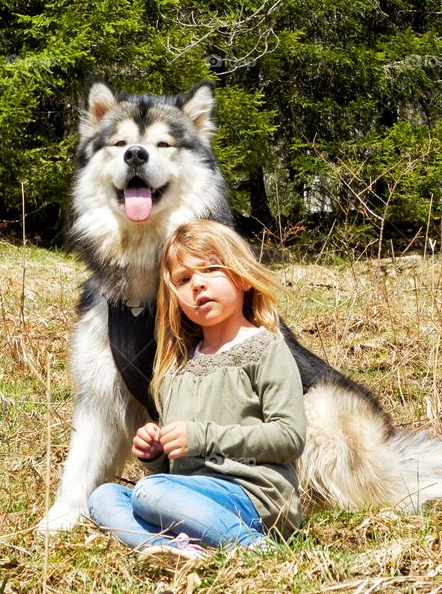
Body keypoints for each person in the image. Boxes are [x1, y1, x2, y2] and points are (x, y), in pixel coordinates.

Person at [87, 220, 307, 559]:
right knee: (103, 498)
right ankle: (173, 550)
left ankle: (256, 548)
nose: (198, 285)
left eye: (211, 269)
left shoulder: (266, 348)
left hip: (251, 498)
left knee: (150, 492)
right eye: (184, 280)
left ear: (242, 276)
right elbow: (173, 470)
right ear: (174, 296)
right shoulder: (176, 368)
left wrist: (201, 437)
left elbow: (289, 437)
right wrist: (155, 452)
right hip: (186, 496)